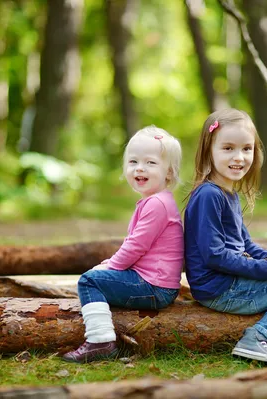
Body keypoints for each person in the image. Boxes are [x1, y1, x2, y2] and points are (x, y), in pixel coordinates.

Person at [183, 108, 267, 365]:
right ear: (208, 151)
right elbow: (215, 256)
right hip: (218, 289)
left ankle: (263, 330)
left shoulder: (228, 193)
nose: (239, 157)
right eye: (228, 148)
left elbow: (245, 244)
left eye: (247, 149)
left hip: (228, 281)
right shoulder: (209, 195)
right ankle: (259, 337)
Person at [63, 126, 184, 363]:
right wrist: (110, 264)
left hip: (155, 287)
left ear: (169, 173)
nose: (139, 168)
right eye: (133, 161)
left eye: (150, 163)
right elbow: (136, 244)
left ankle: (100, 341)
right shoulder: (154, 201)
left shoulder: (156, 204)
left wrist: (111, 268)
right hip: (154, 282)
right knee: (100, 275)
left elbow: (136, 246)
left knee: (89, 281)